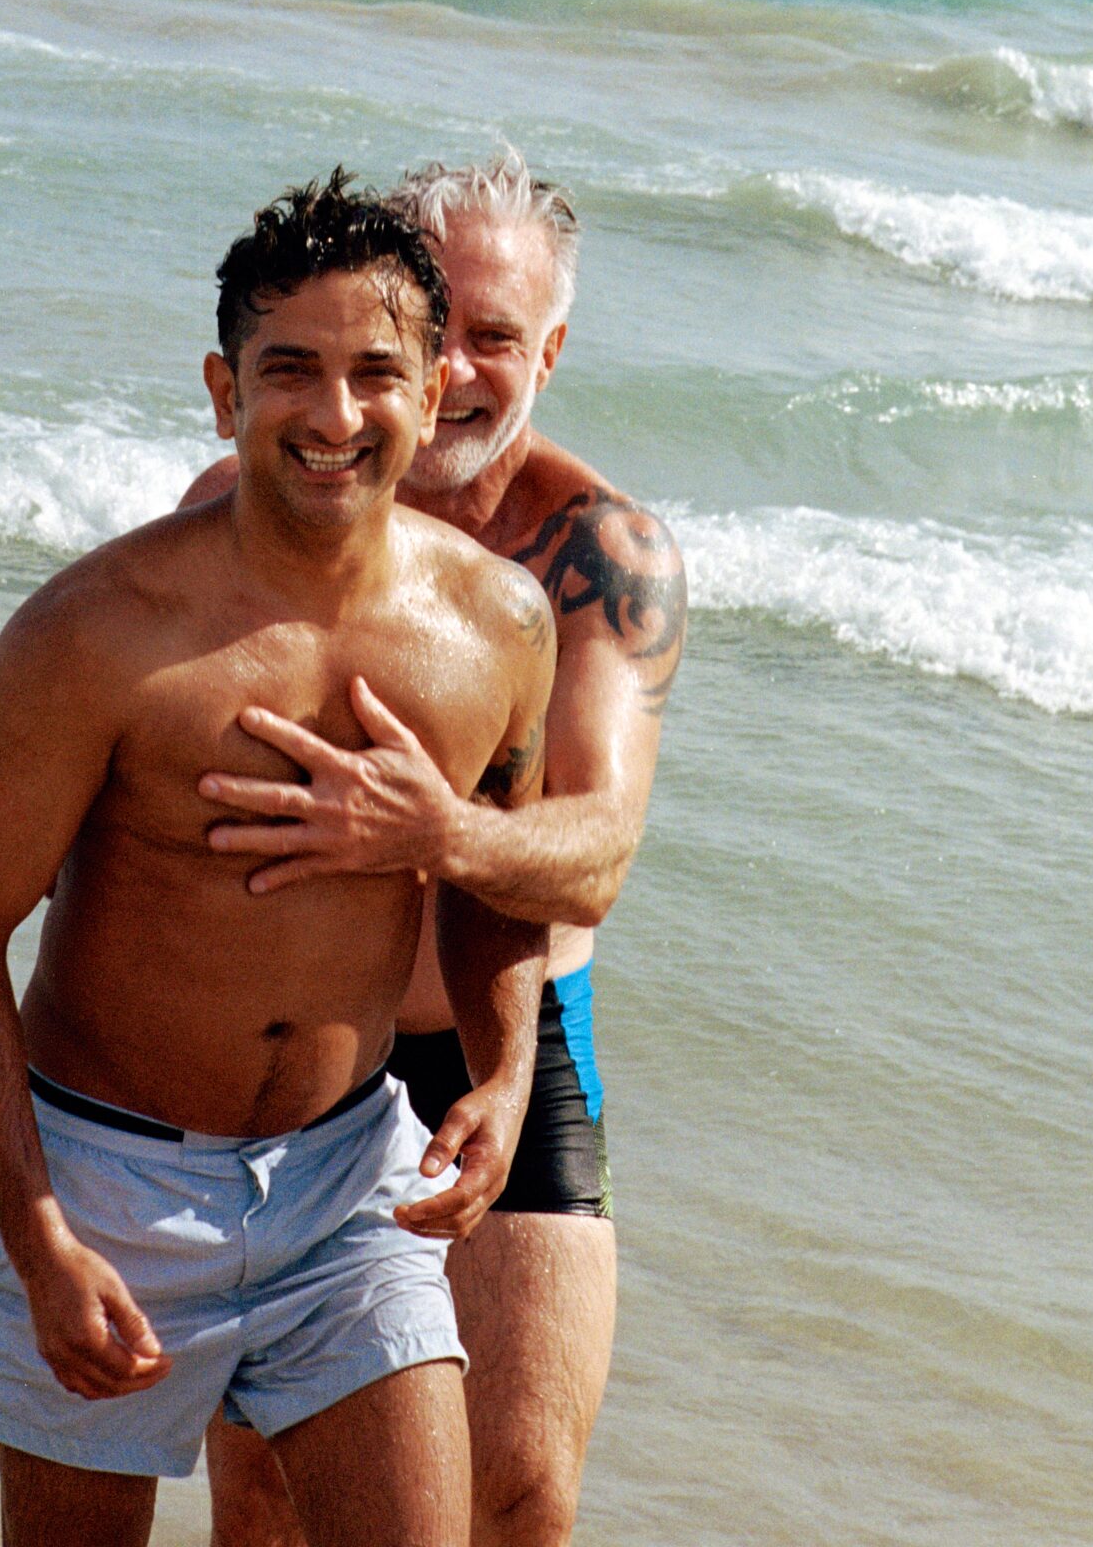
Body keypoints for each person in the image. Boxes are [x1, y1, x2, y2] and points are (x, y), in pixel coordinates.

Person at [0, 172, 555, 1547]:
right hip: (105, 1185)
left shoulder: (498, 627)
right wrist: (39, 1236)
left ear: (434, 390)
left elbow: (495, 887)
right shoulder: (96, 633)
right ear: (224, 391)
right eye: (290, 373)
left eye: (376, 373)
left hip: (347, 1187)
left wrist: (504, 1077)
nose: (335, 417)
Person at [188, 154, 686, 1547]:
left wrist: (437, 830)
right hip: (299, 1049)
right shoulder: (263, 498)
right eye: (439, 324)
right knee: (270, 1499)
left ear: (555, 351)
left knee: (519, 1491)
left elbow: (595, 852)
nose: (463, 369)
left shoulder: (597, 553)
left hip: (509, 1047)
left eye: (500, 338)